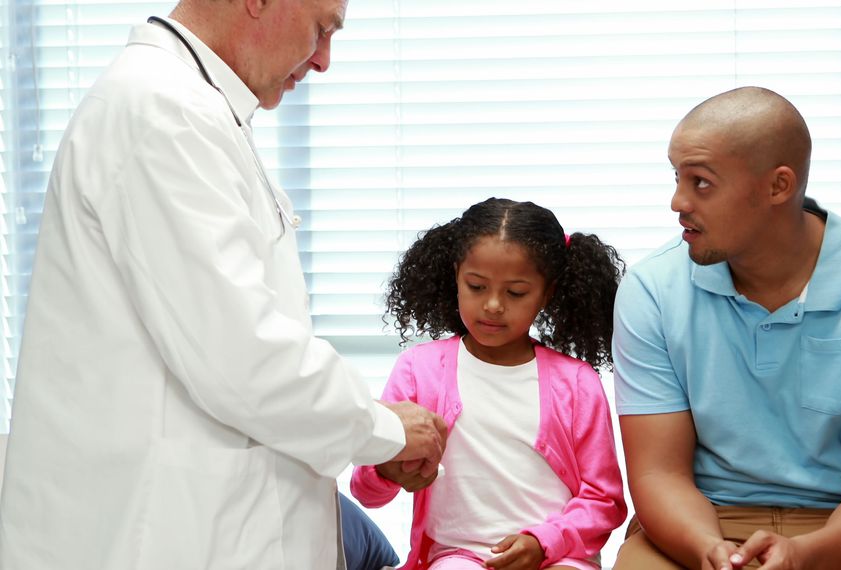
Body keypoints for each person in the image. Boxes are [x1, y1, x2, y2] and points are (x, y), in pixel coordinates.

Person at [0, 1, 447, 568]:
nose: (325, 60)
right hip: (162, 538)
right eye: (321, 28)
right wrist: (383, 428)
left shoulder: (192, 109)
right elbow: (245, 357)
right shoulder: (162, 112)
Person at [611, 87, 841, 570]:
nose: (677, 201)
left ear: (778, 186)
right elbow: (658, 474)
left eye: (701, 182)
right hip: (700, 523)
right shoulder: (651, 290)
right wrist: (710, 551)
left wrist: (806, 556)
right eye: (676, 177)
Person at [351, 198, 629, 570]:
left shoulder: (577, 383)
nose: (493, 305)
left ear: (547, 293)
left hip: (559, 556)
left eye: (515, 293)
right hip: (457, 556)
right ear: (456, 276)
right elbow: (365, 490)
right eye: (477, 286)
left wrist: (543, 543)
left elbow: (604, 501)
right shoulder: (420, 369)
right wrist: (387, 469)